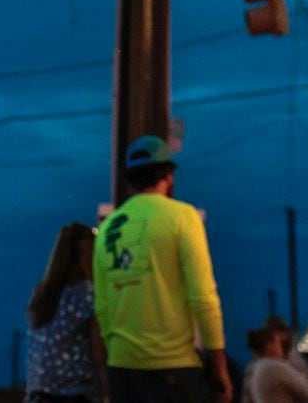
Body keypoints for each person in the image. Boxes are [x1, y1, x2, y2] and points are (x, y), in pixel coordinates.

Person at [95, 135, 233, 403]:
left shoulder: (108, 228)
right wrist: (219, 368)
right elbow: (203, 297)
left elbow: (102, 305)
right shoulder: (183, 216)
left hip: (122, 369)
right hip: (173, 367)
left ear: (130, 179)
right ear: (169, 176)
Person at [27, 222, 107, 403]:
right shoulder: (87, 294)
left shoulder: (43, 294)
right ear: (85, 255)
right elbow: (98, 355)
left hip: (39, 393)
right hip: (74, 394)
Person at [242, 318, 308, 403]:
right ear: (270, 345)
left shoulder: (257, 366)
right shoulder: (274, 365)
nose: (282, 346)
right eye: (279, 342)